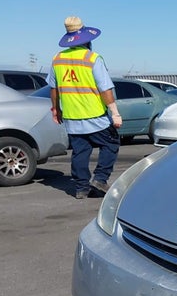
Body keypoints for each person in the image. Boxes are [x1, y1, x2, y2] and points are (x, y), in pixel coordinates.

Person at [47, 16, 122, 199]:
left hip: (72, 116)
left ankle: (81, 188)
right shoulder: (92, 58)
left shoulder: (57, 59)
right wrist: (115, 113)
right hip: (95, 115)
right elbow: (105, 89)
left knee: (80, 151)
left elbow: (53, 88)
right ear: (86, 38)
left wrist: (56, 109)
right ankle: (100, 178)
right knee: (111, 143)